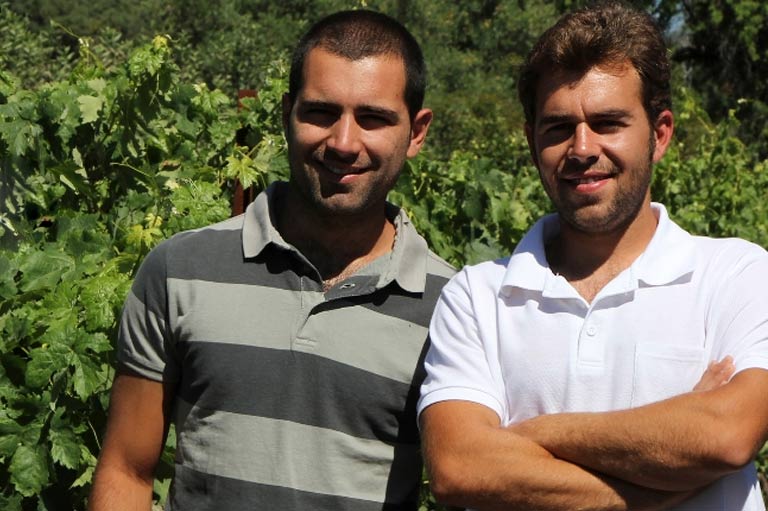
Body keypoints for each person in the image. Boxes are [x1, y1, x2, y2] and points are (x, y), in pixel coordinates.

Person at [88, 9, 454, 511]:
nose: (344, 143)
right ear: (287, 115)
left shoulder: (452, 308)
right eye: (321, 113)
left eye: (373, 118)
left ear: (416, 132)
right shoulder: (179, 270)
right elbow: (127, 469)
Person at [418, 2, 768, 510]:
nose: (582, 148)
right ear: (531, 138)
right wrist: (670, 465)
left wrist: (534, 434)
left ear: (660, 133)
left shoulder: (738, 273)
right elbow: (459, 467)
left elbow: (728, 435)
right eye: (558, 127)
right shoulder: (476, 296)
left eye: (608, 122)